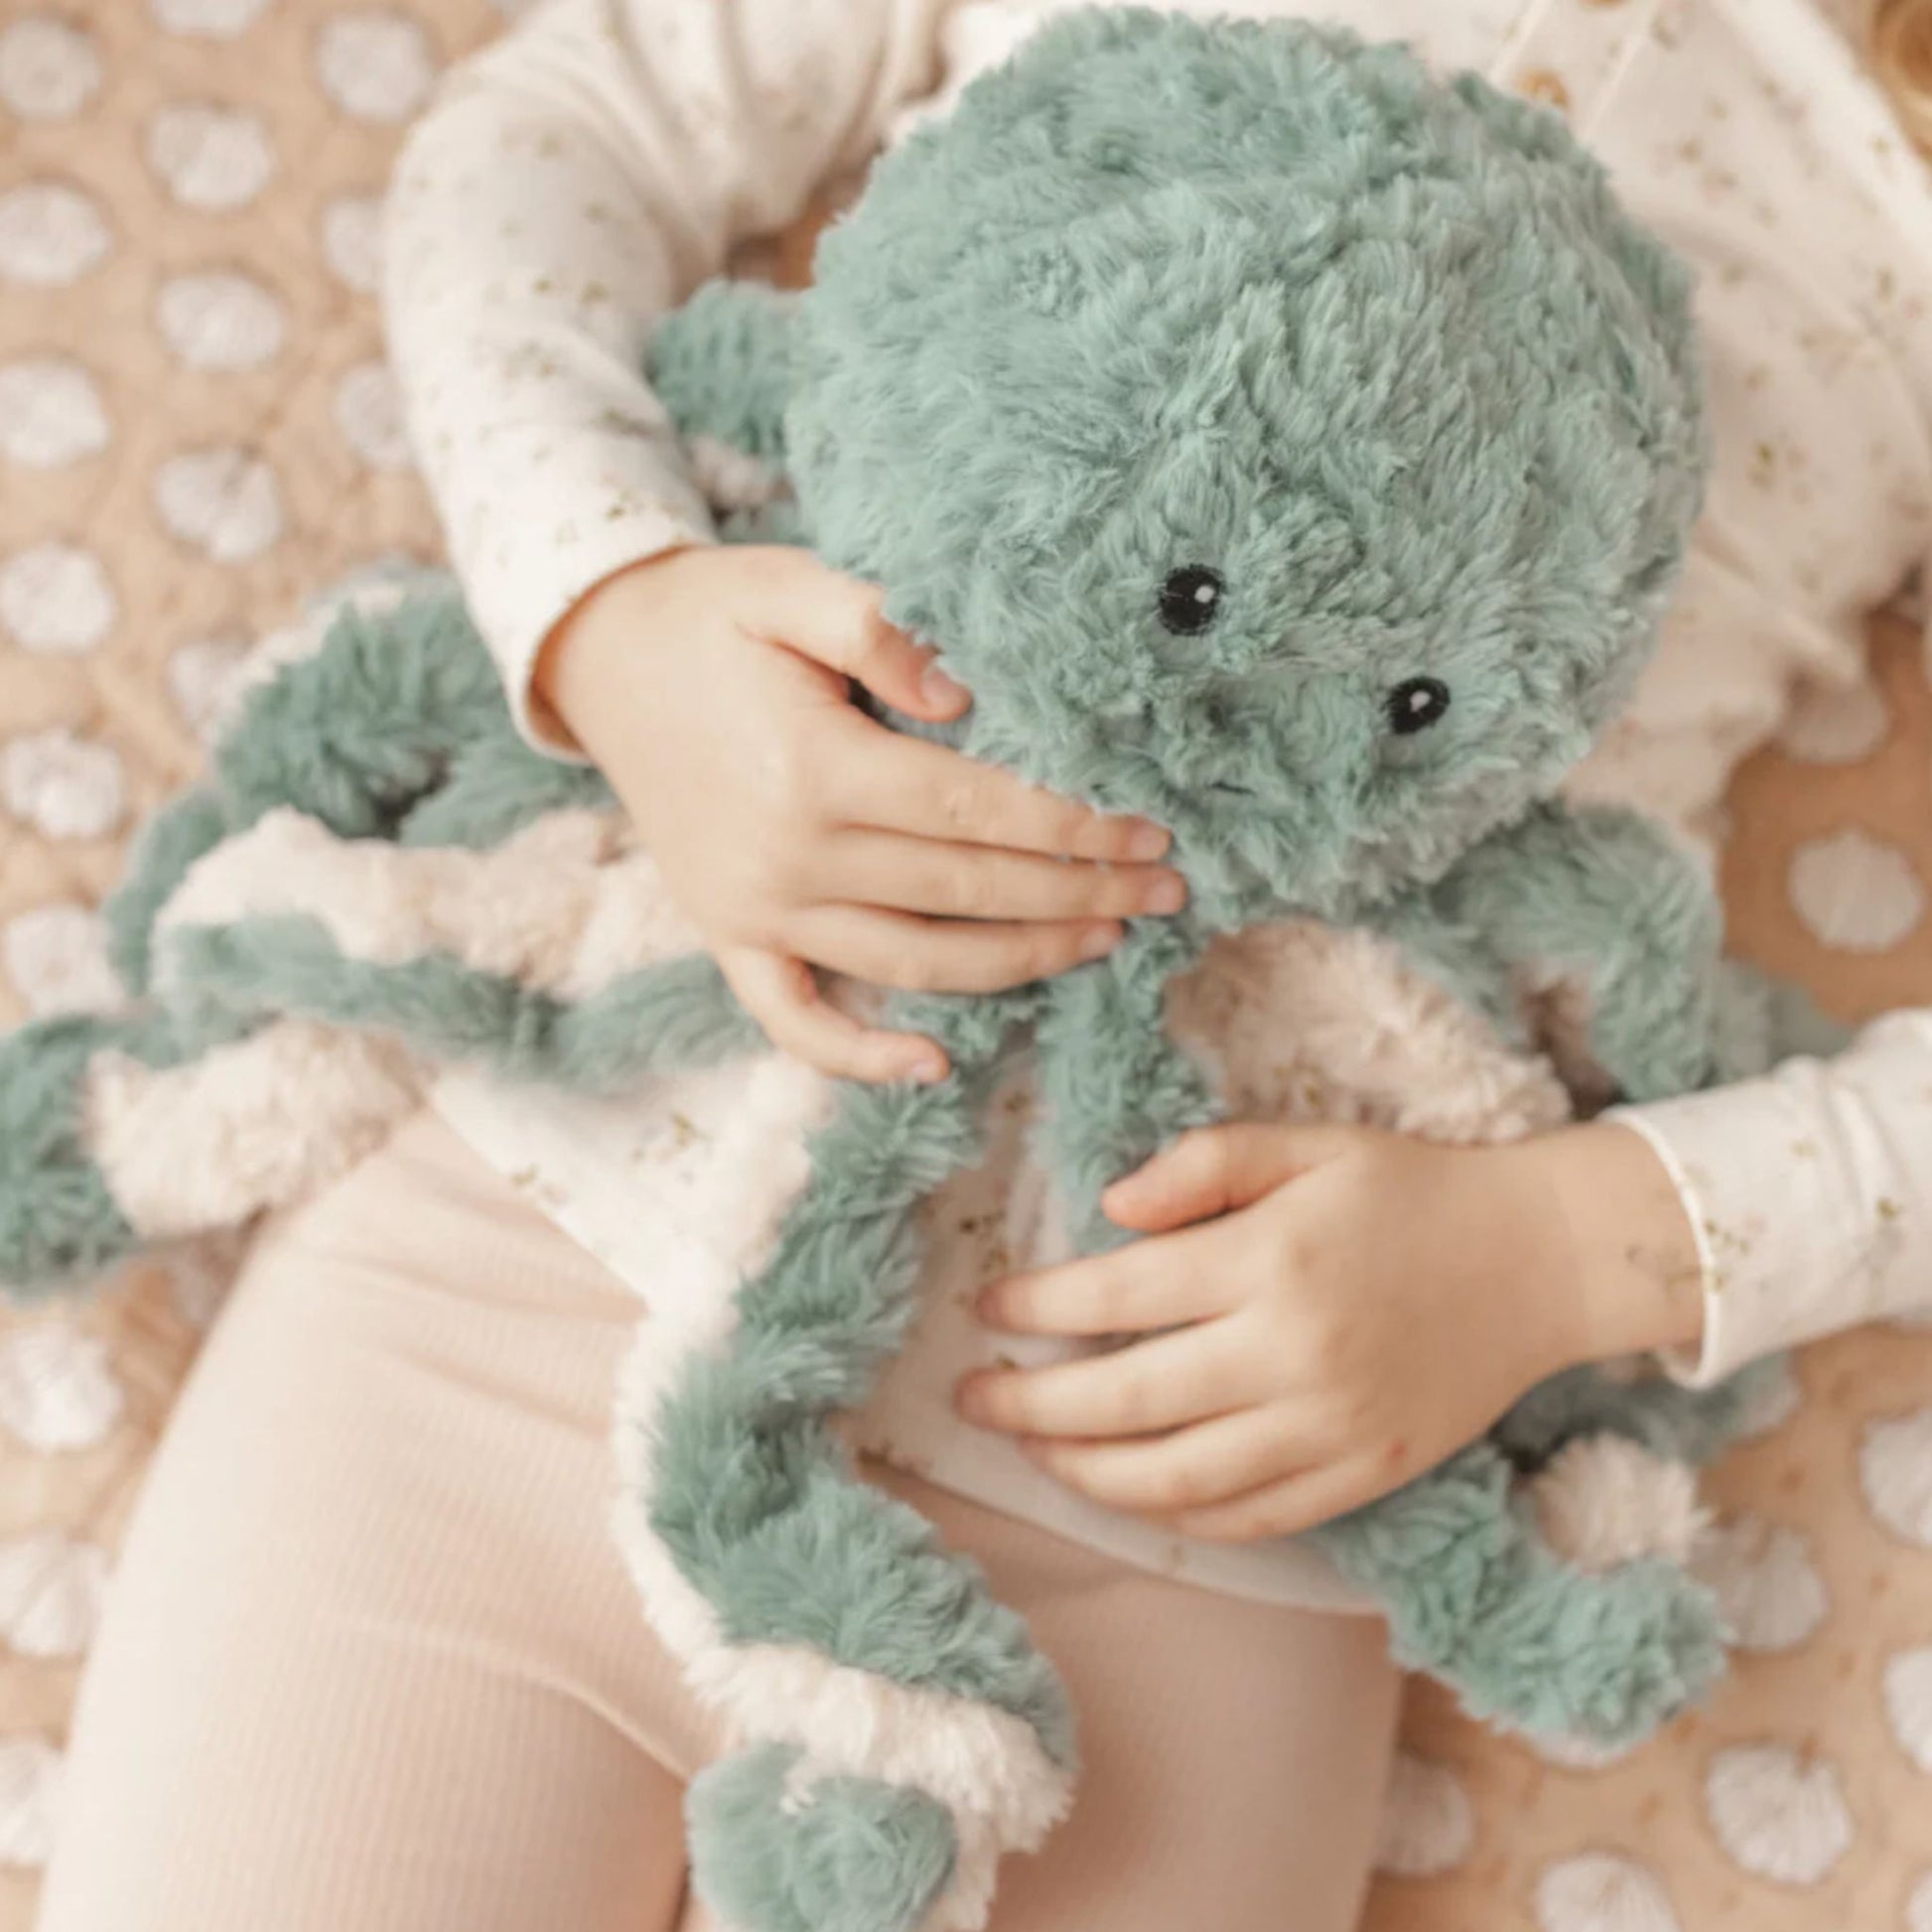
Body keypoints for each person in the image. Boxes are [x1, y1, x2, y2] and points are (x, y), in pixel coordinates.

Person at [36, 3, 1932, 1928]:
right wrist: (611, 613)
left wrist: (1571, 1246)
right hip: (524, 1270)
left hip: (1200, 1541)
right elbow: (556, 124)